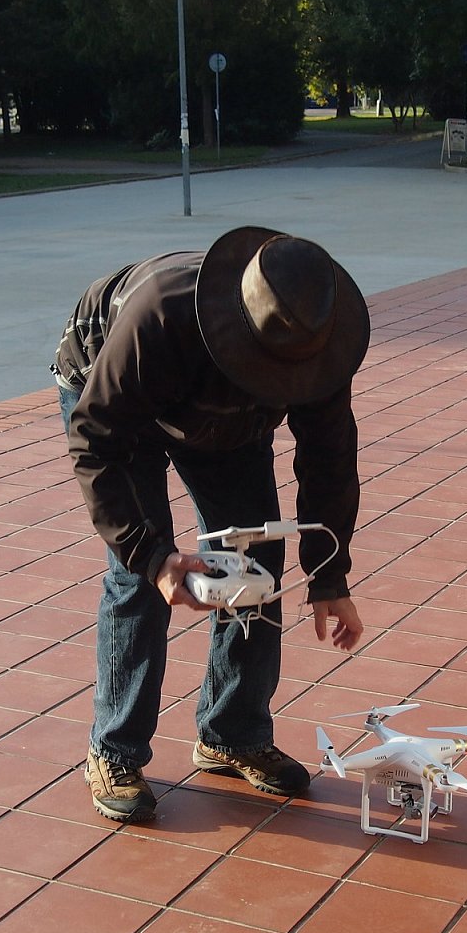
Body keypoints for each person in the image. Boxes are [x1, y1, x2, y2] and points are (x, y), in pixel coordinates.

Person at [53, 226, 369, 822]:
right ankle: (114, 749)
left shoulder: (316, 339)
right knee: (139, 580)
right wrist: (150, 555)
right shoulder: (160, 319)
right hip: (118, 402)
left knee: (254, 559)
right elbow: (95, 439)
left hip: (223, 415)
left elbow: (330, 461)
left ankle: (232, 731)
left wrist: (331, 579)